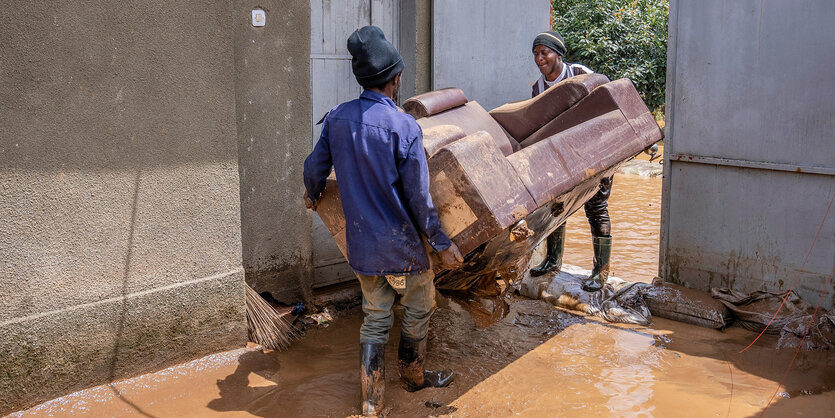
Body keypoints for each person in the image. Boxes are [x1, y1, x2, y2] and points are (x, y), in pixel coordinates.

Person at [302, 25, 463, 417]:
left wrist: (312, 193)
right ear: (396, 80)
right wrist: (443, 243)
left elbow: (313, 169)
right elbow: (419, 198)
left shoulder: (337, 118)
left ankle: (372, 401)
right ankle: (413, 376)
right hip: (402, 246)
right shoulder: (405, 126)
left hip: (363, 247)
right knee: (419, 306)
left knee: (375, 317)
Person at [527, 30, 613, 293]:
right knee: (557, 207)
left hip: (594, 152)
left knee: (596, 207)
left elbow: (608, 99)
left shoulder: (580, 74)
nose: (539, 58)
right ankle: (553, 261)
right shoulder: (537, 88)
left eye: (545, 52)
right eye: (536, 54)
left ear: (558, 54)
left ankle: (601, 272)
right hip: (561, 157)